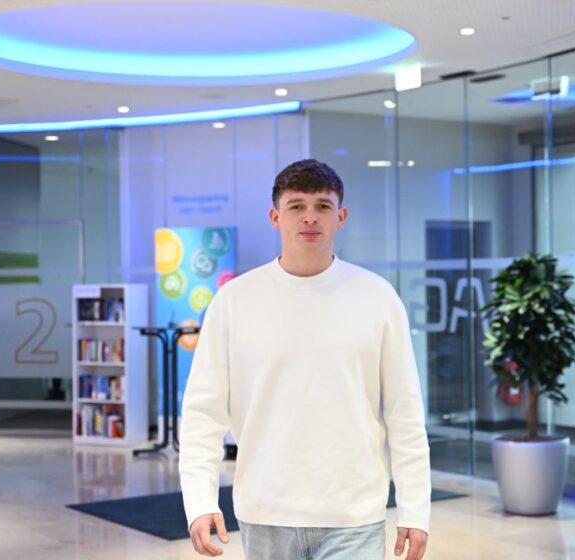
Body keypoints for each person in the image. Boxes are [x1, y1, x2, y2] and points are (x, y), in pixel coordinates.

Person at [179, 158, 431, 560]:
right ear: (275, 217)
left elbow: (404, 411)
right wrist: (199, 500)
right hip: (265, 512)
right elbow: (202, 412)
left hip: (353, 514)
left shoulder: (378, 297)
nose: (310, 217)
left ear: (340, 216)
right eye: (296, 206)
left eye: (322, 206)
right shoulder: (234, 301)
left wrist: (415, 509)